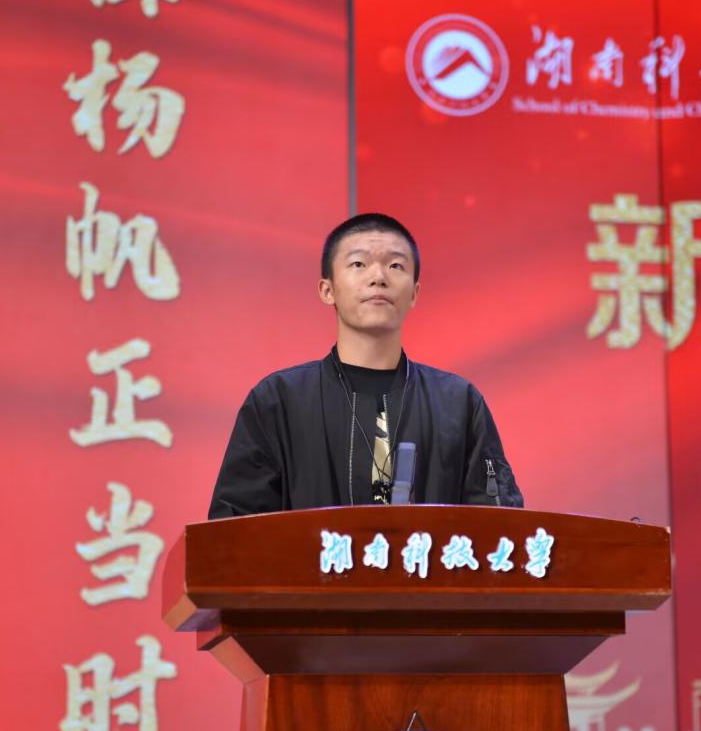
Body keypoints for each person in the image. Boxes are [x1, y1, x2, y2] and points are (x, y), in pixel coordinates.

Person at [208, 212, 522, 517]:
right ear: (327, 290)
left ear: (414, 293)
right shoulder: (278, 401)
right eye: (358, 264)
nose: (378, 277)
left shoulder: (458, 403)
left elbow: (500, 528)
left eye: (396, 265)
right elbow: (234, 530)